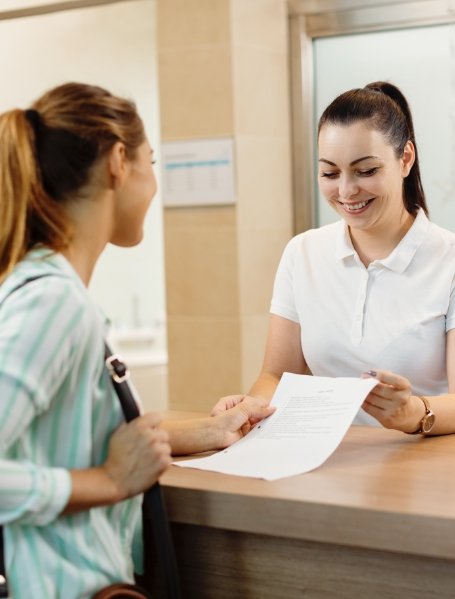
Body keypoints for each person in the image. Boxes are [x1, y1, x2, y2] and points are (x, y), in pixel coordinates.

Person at [0, 82, 274, 599]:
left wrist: (207, 432)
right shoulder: (53, 303)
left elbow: (64, 439)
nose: (155, 183)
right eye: (152, 162)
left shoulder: (49, 287)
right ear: (118, 162)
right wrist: (108, 481)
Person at [213, 80, 455, 437]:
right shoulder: (302, 253)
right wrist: (253, 408)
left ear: (405, 158)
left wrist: (414, 412)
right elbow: (276, 377)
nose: (346, 191)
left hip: (420, 468)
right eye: (329, 173)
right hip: (323, 464)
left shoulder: (448, 261)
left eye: (366, 170)